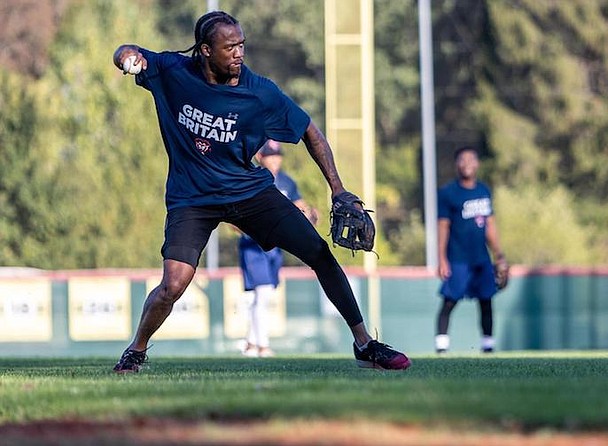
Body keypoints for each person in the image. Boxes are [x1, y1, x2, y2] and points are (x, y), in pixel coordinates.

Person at [111, 10, 411, 372]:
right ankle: (137, 349)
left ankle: (364, 344)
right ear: (205, 50)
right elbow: (126, 51)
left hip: (248, 192)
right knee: (173, 284)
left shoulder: (260, 92)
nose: (239, 53)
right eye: (229, 47)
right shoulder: (174, 72)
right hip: (192, 198)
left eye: (241, 45)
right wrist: (127, 57)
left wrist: (338, 189)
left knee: (318, 252)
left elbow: (310, 133)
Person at [237, 139, 318, 358]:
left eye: (277, 154)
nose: (275, 159)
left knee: (263, 295)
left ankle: (251, 343)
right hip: (253, 247)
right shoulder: (250, 179)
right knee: (262, 294)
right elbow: (233, 218)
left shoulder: (286, 182)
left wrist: (309, 216)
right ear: (259, 157)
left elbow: (300, 207)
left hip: (275, 248)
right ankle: (262, 345)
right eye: (270, 154)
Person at [434, 146, 506, 354]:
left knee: (486, 300)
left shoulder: (483, 190)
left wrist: (499, 254)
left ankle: (488, 346)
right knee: (449, 301)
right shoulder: (448, 193)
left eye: (471, 159)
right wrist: (442, 258)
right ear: (456, 164)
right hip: (457, 257)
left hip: (481, 258)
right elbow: (443, 226)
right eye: (462, 160)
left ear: (477, 164)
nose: (467, 163)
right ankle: (441, 347)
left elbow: (490, 225)